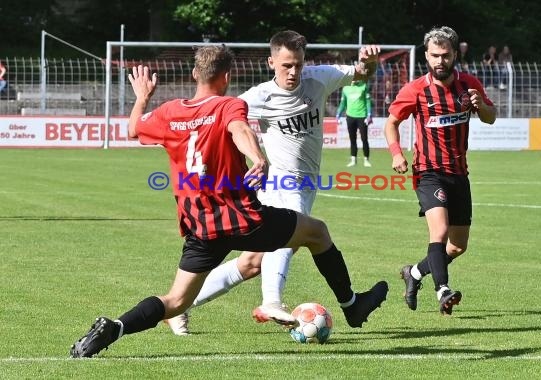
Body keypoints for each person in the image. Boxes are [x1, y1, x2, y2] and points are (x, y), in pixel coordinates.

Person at [70, 45, 388, 358]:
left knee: (177, 300)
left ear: (195, 73)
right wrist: (257, 158)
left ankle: (115, 326)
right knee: (316, 233)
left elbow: (132, 130)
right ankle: (349, 306)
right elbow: (238, 130)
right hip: (242, 217)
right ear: (228, 75)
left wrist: (142, 98)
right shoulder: (228, 106)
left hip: (200, 226)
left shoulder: (169, 112)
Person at [165, 31, 383, 335]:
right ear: (271, 62)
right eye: (285, 66)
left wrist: (367, 63)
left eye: (297, 65)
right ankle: (273, 301)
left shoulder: (320, 78)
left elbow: (361, 74)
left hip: (305, 184)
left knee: (251, 263)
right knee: (293, 235)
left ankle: (179, 307)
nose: (293, 72)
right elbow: (222, 118)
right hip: (280, 183)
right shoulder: (258, 97)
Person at [384, 26, 496, 315]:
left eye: (445, 55)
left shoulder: (469, 84)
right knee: (440, 231)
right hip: (427, 171)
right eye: (434, 56)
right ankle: (443, 290)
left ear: (454, 55)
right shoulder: (415, 89)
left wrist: (481, 104)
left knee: (458, 247)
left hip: (459, 173)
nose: (440, 61)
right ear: (426, 55)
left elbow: (491, 117)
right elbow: (391, 123)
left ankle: (416, 273)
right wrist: (396, 153)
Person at [336, 79, 373, 167]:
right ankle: (353, 159)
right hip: (350, 116)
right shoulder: (345, 88)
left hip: (362, 116)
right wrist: (338, 114)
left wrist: (369, 114)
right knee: (352, 139)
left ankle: (366, 160)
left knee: (364, 139)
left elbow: (368, 102)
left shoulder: (364, 86)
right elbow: (343, 103)